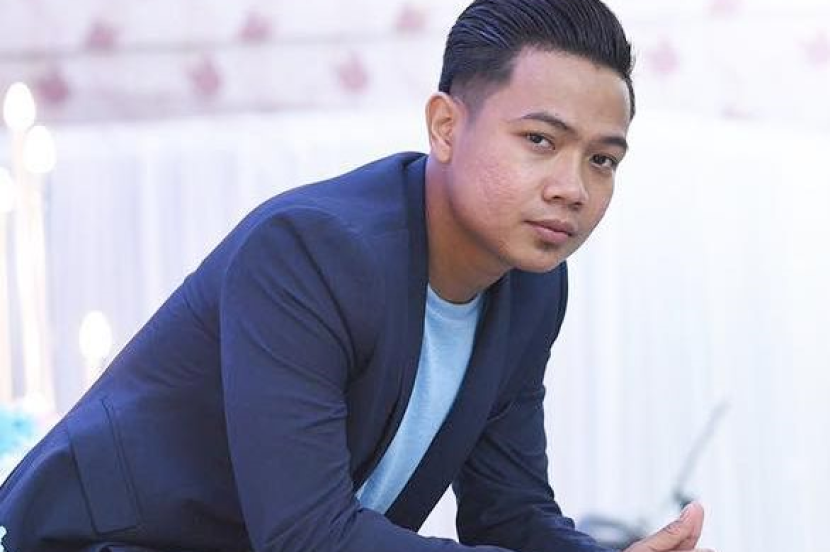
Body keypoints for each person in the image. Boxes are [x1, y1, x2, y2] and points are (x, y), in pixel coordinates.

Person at [0, 0, 714, 551]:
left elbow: (509, 509)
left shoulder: (532, 287)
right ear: (444, 127)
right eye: (539, 140)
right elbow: (306, 536)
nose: (573, 188)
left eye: (602, 160)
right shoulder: (310, 252)